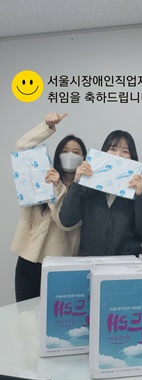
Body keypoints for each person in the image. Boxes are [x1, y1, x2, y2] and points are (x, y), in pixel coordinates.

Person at [11, 112, 87, 302]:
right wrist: (47, 127)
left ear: (84, 158)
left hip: (61, 266)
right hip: (29, 259)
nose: (70, 155)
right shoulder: (44, 175)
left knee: (56, 316)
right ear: (57, 155)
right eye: (65, 151)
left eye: (76, 152)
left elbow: (65, 222)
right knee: (25, 314)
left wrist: (59, 187)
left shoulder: (86, 190)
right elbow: (21, 148)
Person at [59, 130, 142, 257]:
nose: (118, 155)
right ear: (104, 152)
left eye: (125, 151)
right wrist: (76, 183)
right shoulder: (88, 184)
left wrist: (139, 196)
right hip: (91, 261)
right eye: (113, 149)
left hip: (128, 262)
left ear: (132, 157)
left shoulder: (139, 186)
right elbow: (66, 220)